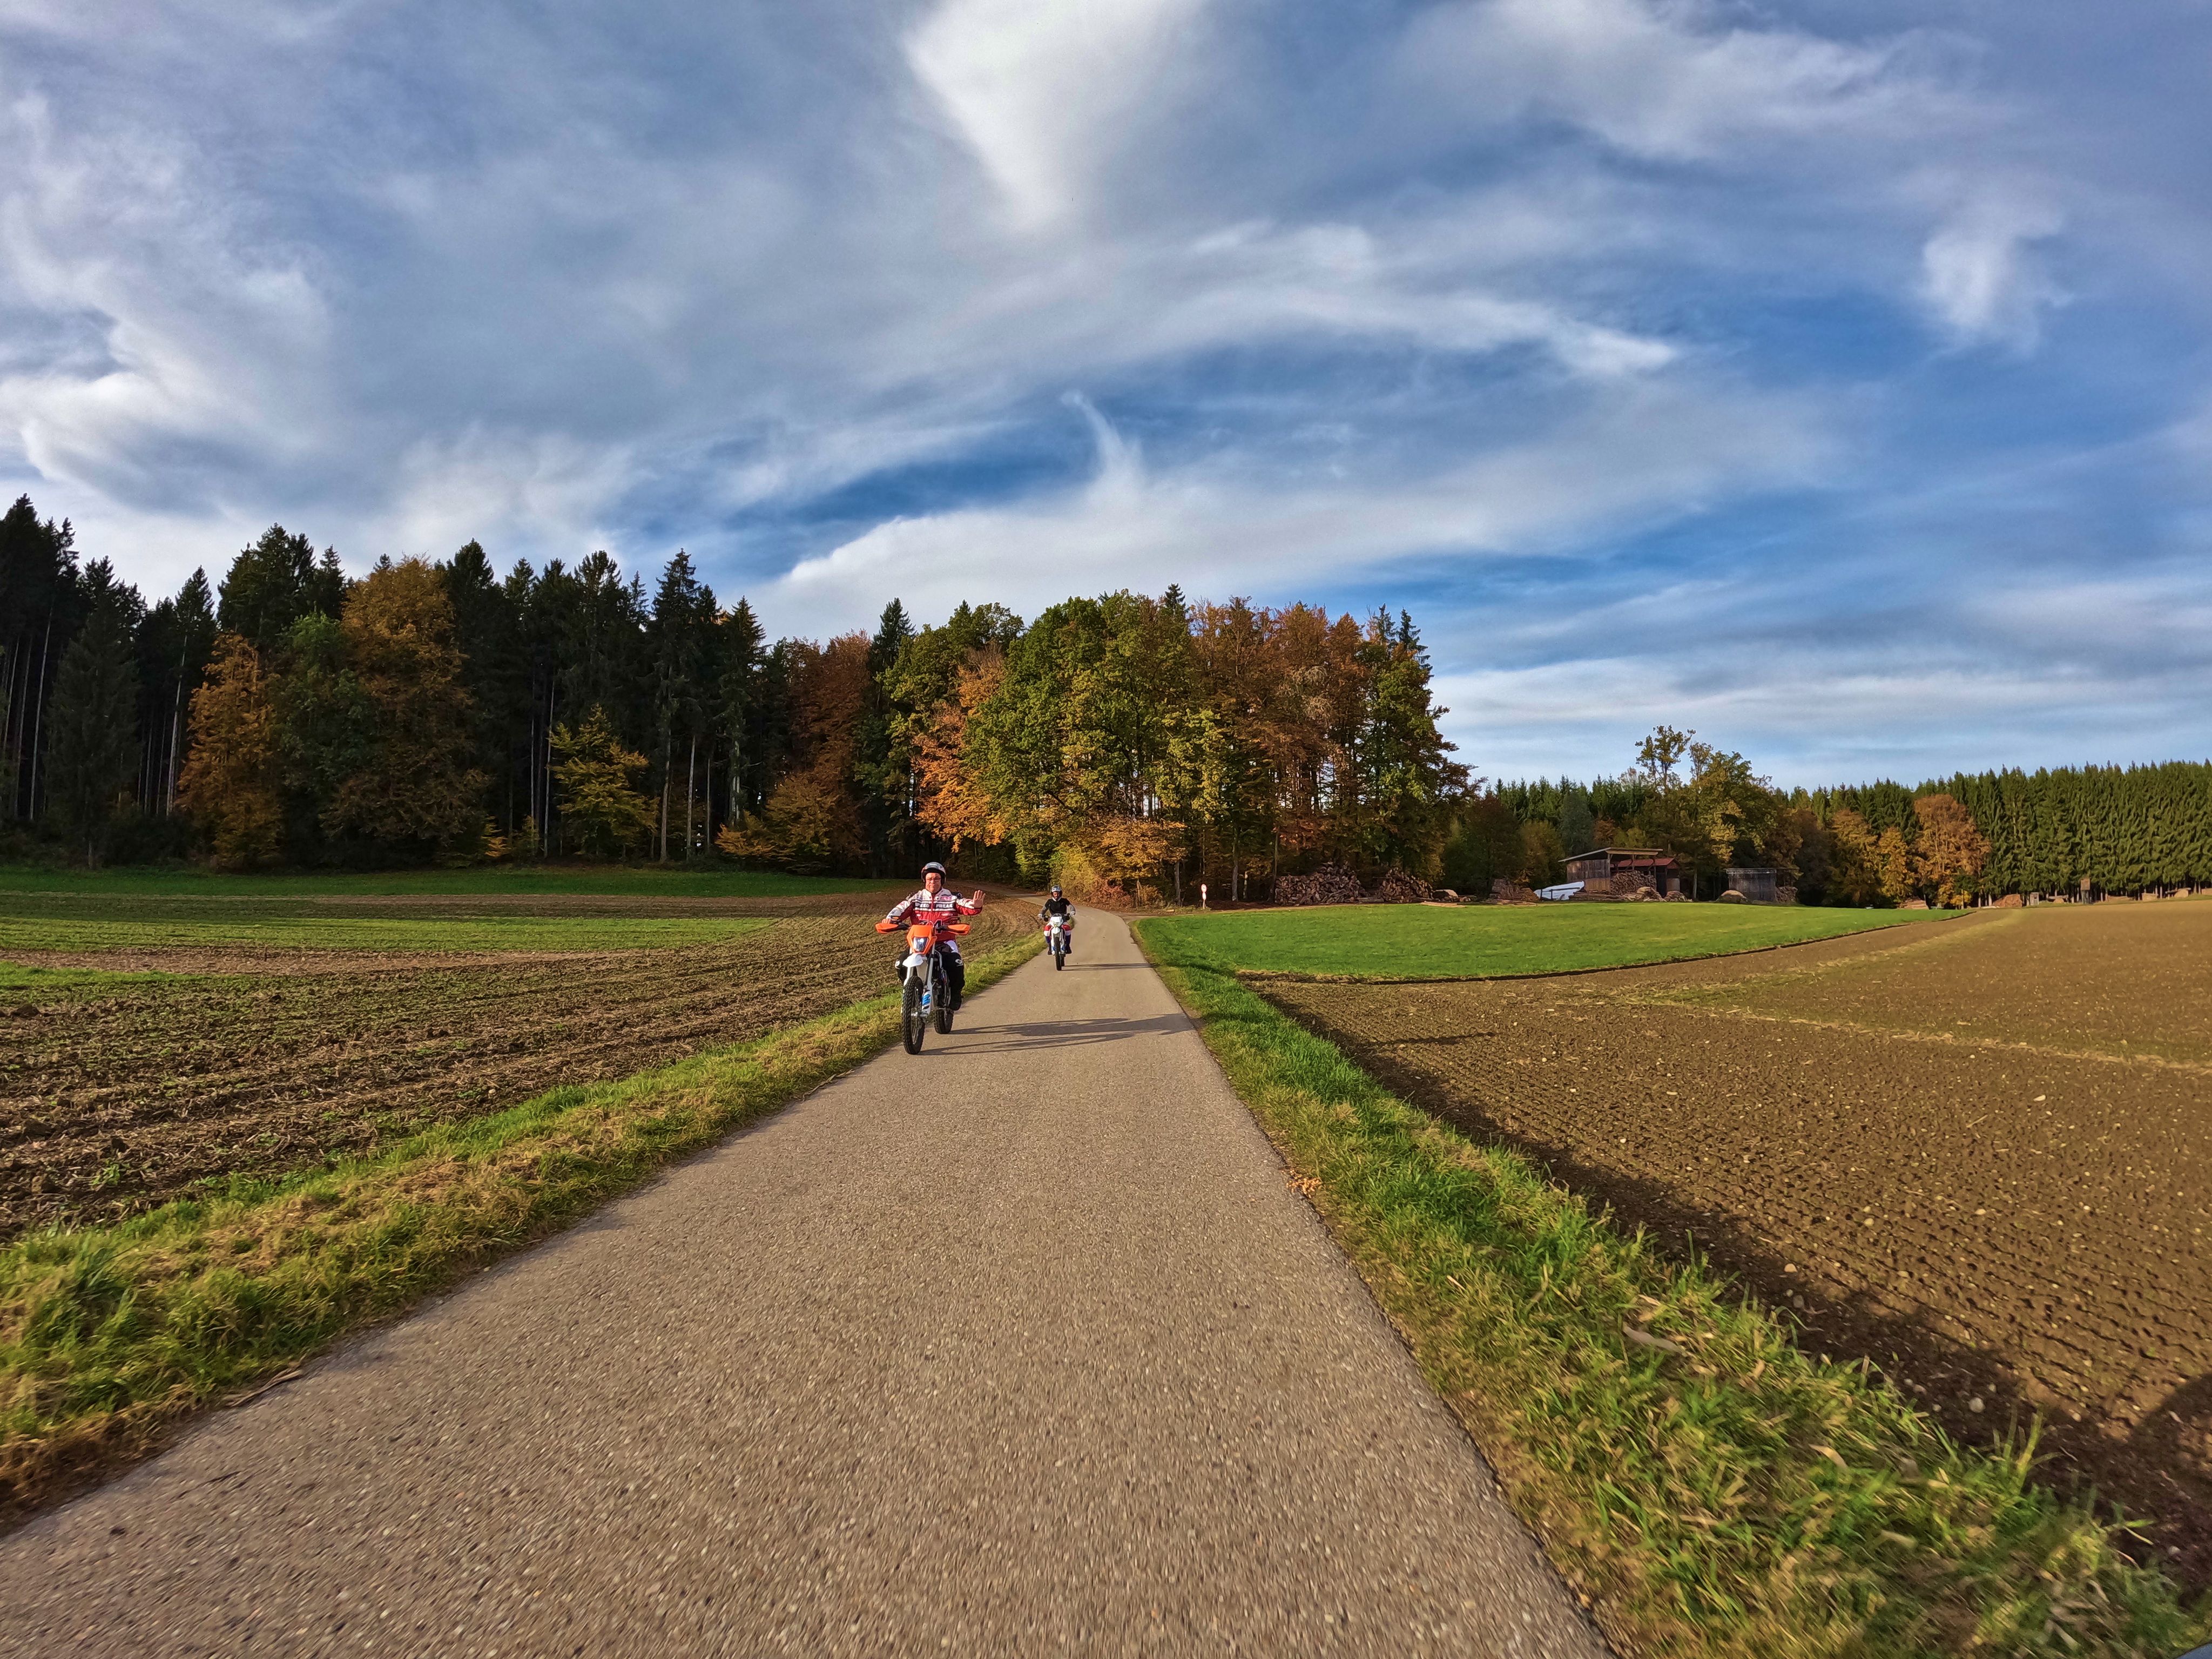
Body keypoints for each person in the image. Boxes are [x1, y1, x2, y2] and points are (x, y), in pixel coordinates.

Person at [882, 862, 985, 1009]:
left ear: (942, 880)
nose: (933, 881)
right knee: (900, 963)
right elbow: (900, 909)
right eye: (930, 878)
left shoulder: (952, 897)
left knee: (956, 963)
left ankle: (956, 993)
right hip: (919, 942)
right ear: (925, 880)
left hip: (945, 941)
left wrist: (976, 905)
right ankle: (911, 992)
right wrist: (890, 919)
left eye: (936, 878)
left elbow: (966, 905)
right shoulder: (915, 898)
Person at [1037, 883, 1075, 959]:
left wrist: (1072, 911)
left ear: (1060, 893)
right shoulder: (1049, 902)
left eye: (1057, 894)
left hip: (1063, 919)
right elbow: (1044, 909)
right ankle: (1050, 947)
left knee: (1068, 929)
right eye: (1055, 894)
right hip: (1053, 920)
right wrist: (1041, 914)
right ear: (1052, 894)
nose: (1056, 895)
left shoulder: (1064, 901)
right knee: (1047, 930)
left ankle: (1067, 946)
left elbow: (1071, 906)